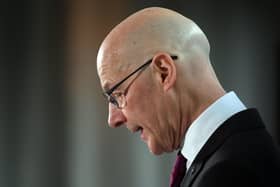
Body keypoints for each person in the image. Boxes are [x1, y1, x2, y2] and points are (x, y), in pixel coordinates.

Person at [96, 7, 280, 187]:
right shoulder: (230, 156)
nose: (113, 119)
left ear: (164, 72)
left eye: (117, 95)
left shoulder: (231, 172)